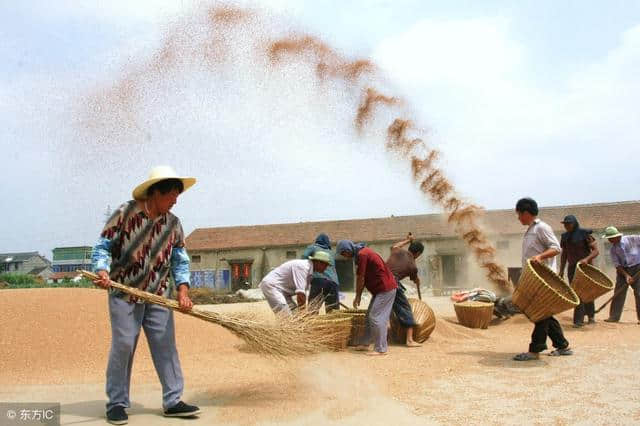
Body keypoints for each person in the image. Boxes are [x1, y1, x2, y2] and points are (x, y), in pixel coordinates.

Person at [91, 166, 200, 424]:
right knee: (124, 344)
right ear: (155, 193)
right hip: (124, 291)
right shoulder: (124, 213)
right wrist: (102, 270)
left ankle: (173, 401)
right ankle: (117, 403)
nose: (175, 201)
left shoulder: (173, 224)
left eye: (177, 197)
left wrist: (183, 290)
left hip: (158, 294)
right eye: (171, 195)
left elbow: (180, 259)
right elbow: (103, 245)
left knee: (165, 345)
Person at [512, 198, 573, 361]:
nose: (518, 218)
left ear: (526, 213)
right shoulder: (531, 230)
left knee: (541, 314)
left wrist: (540, 256)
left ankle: (534, 350)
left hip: (544, 280)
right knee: (544, 313)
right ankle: (562, 345)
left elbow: (556, 248)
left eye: (519, 214)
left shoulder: (541, 228)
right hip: (534, 278)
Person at [337, 240, 397, 356]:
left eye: (344, 254)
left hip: (385, 288)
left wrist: (358, 296)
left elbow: (361, 278)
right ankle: (365, 343)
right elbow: (362, 277)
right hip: (380, 290)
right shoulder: (362, 253)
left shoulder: (362, 255)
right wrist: (358, 295)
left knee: (375, 316)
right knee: (369, 316)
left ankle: (380, 348)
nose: (345, 257)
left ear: (348, 250)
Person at [259, 251, 331, 316]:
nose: (326, 268)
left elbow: (302, 295)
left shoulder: (310, 272)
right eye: (325, 265)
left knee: (295, 314)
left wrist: (301, 313)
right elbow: (300, 295)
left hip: (284, 292)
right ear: (319, 262)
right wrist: (303, 315)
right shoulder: (303, 267)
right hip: (272, 286)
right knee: (286, 316)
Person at [558, 215, 599, 328]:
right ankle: (578, 320)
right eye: (565, 224)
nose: (566, 226)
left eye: (569, 224)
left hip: (586, 268)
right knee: (576, 292)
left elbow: (596, 251)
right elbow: (564, 255)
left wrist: (586, 259)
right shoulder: (565, 237)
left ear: (574, 223)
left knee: (587, 291)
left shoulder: (585, 234)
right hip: (572, 268)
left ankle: (591, 316)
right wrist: (561, 270)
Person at [387, 233, 424, 347]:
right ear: (418, 253)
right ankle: (409, 340)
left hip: (379, 280)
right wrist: (417, 280)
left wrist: (407, 240)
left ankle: (373, 339)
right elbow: (415, 279)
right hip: (392, 283)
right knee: (406, 308)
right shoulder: (413, 265)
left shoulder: (397, 250)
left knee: (382, 309)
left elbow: (394, 246)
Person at [601, 226, 640, 324]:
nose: (609, 240)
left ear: (617, 236)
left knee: (639, 293)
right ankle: (614, 317)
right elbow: (617, 265)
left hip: (637, 268)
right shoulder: (613, 250)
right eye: (608, 238)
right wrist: (626, 276)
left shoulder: (633, 239)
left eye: (610, 238)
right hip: (623, 271)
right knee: (618, 293)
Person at [302, 233, 340, 313]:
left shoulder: (312, 247)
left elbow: (304, 257)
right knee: (333, 313)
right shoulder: (331, 252)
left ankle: (311, 324)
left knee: (312, 310)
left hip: (319, 280)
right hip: (334, 283)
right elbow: (334, 269)